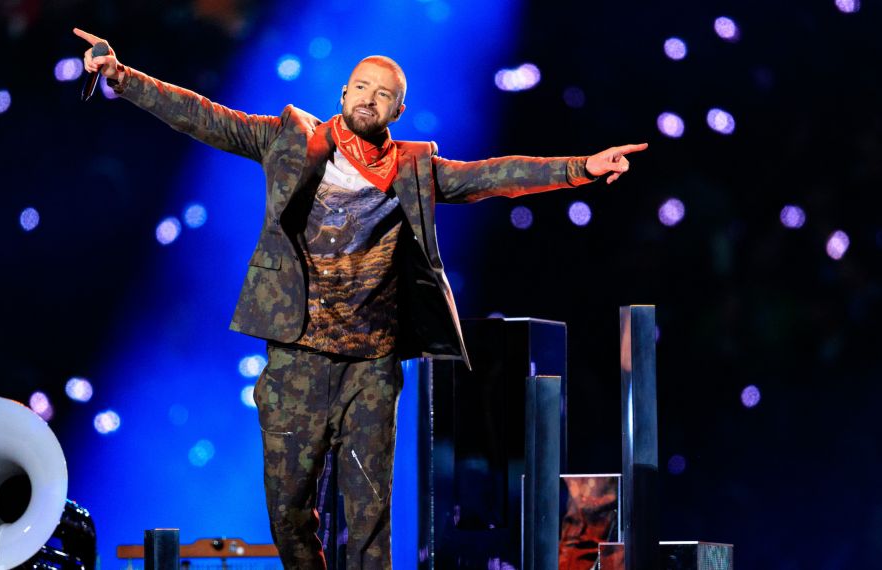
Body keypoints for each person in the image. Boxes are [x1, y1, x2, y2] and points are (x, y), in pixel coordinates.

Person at [74, 27, 647, 569]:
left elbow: (490, 175)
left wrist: (582, 168)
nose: (371, 98)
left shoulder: (410, 169)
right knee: (288, 512)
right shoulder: (289, 141)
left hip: (371, 366)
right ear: (344, 91)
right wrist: (121, 75)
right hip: (297, 358)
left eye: (385, 94)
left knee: (370, 518)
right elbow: (204, 117)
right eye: (363, 86)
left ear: (398, 111)